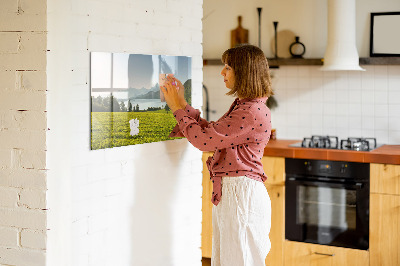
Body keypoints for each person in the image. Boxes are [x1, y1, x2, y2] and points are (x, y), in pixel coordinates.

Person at [161, 44, 273, 266]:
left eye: (228, 67)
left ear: (244, 72)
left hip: (241, 195)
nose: (222, 72)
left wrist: (176, 108)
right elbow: (212, 133)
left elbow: (204, 141)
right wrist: (182, 104)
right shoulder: (246, 106)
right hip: (236, 193)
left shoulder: (250, 111)